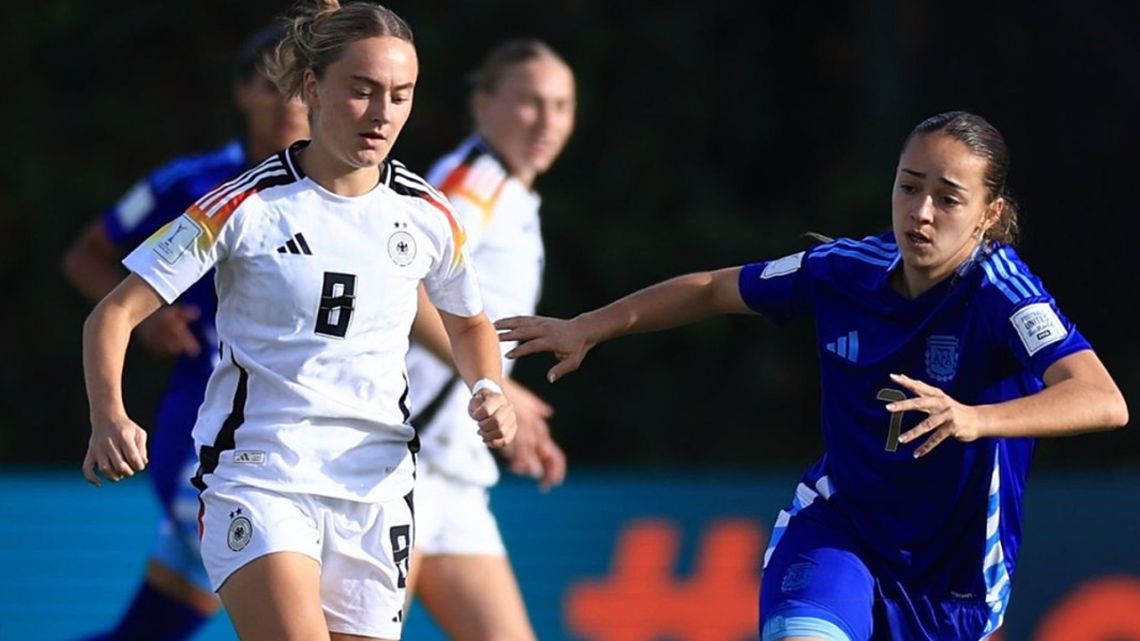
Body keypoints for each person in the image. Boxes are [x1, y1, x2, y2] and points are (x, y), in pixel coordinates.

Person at [496, 110, 1129, 641]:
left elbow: (1103, 400)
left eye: (948, 197)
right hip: (839, 529)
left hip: (953, 573)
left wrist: (972, 419)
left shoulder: (1002, 293)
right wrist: (589, 326)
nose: (922, 211)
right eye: (909, 187)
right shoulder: (844, 270)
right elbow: (715, 290)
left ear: (989, 214)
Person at [79, 2, 517, 640]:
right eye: (362, 91)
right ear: (313, 89)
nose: (382, 113)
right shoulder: (242, 204)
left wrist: (490, 388)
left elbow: (469, 323)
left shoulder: (425, 211)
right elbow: (113, 311)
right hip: (262, 473)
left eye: (401, 95)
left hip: (377, 486)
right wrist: (108, 416)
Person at [61, 23, 308, 641]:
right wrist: (151, 321)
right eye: (270, 84)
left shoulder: (348, 203)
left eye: (301, 88)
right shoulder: (196, 186)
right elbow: (88, 256)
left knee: (155, 628)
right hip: (205, 437)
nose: (287, 103)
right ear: (242, 92)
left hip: (299, 447)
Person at [403, 38, 575, 641]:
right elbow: (402, 288)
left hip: (452, 466)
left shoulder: (509, 189)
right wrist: (495, 386)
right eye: (529, 101)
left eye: (561, 105)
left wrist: (505, 405)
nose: (547, 120)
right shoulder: (475, 182)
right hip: (400, 458)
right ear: (483, 103)